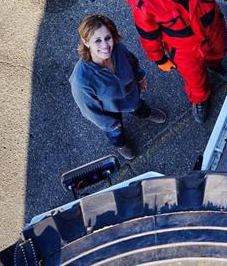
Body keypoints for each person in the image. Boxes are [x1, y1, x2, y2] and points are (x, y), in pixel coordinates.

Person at [70, 15, 167, 160]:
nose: (105, 46)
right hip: (110, 110)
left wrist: (140, 77)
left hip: (131, 96)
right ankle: (121, 145)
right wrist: (110, 124)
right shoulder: (81, 80)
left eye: (107, 38)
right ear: (86, 42)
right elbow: (89, 110)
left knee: (139, 107)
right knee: (116, 133)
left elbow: (133, 62)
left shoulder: (119, 49)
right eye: (97, 40)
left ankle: (146, 113)